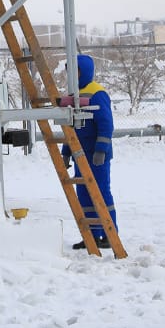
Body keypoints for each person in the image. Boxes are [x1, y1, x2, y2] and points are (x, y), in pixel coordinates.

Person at [61, 53, 117, 249]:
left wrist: (101, 148)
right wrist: (66, 151)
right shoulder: (72, 95)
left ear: (85, 72)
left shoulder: (97, 93)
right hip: (79, 154)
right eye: (70, 72)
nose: (72, 76)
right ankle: (91, 236)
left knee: (101, 193)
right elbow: (71, 127)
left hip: (96, 155)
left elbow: (106, 124)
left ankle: (110, 234)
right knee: (84, 194)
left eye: (75, 71)